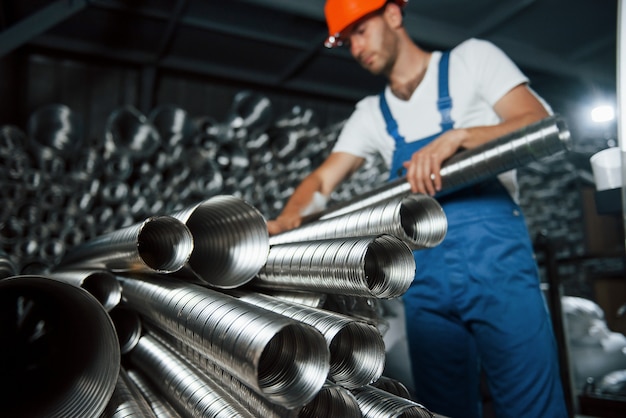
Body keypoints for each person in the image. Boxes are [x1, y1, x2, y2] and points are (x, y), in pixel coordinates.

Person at [267, 0, 569, 417]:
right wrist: (289, 217)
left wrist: (460, 137)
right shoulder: (373, 114)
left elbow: (537, 121)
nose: (355, 48)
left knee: (530, 401)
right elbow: (321, 181)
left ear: (393, 15)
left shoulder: (472, 60)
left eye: (361, 30)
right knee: (442, 406)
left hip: (496, 265)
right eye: (347, 40)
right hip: (426, 278)